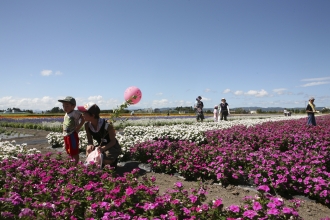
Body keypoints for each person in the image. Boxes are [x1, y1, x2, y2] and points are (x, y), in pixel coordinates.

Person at [78, 102, 122, 169]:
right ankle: (100, 165)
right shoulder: (87, 125)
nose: (82, 115)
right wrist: (89, 145)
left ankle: (112, 161)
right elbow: (90, 140)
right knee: (89, 154)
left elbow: (113, 141)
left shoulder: (107, 125)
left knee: (104, 159)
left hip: (111, 146)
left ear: (92, 115)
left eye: (85, 113)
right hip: (100, 146)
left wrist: (102, 148)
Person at [58, 96, 85, 165]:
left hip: (72, 135)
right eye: (63, 106)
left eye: (67, 106)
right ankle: (71, 162)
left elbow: (83, 118)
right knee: (69, 150)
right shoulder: (66, 114)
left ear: (73, 106)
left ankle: (75, 164)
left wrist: (78, 127)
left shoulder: (75, 113)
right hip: (66, 135)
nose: (65, 108)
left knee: (74, 151)